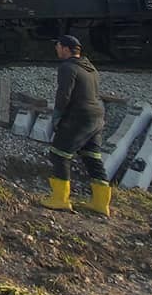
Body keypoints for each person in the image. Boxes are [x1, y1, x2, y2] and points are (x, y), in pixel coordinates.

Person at [40, 34, 112, 216]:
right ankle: (101, 203)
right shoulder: (90, 68)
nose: (56, 50)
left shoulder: (67, 67)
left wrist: (57, 116)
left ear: (65, 48)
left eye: (57, 46)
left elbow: (64, 94)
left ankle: (60, 199)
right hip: (97, 117)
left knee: (59, 154)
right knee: (92, 157)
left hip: (79, 116)